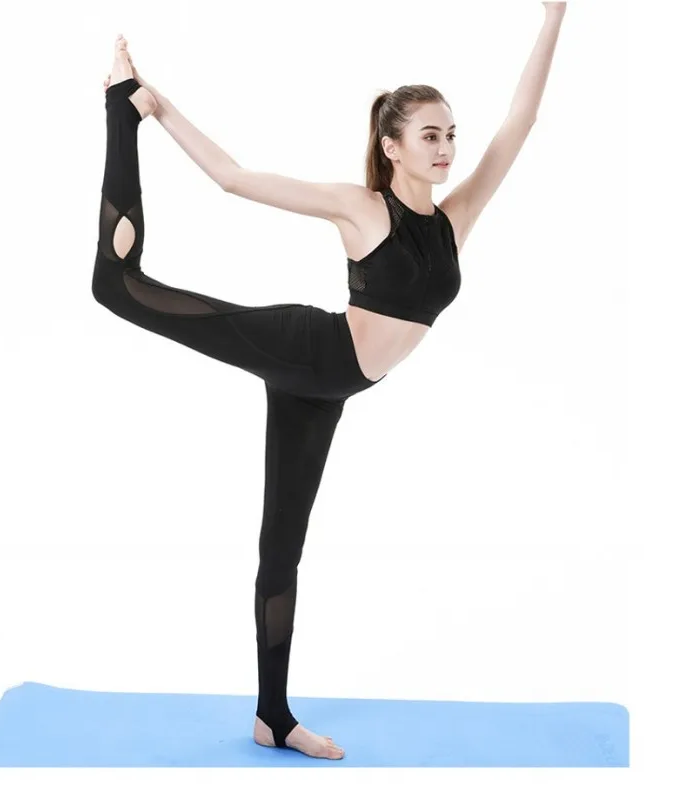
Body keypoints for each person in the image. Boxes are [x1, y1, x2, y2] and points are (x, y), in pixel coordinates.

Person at [93, 9, 564, 760]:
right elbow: (234, 179)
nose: (446, 148)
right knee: (118, 285)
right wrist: (155, 104)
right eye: (430, 135)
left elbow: (522, 120)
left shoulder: (456, 219)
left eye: (451, 134)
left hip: (325, 391)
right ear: (393, 146)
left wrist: (554, 16)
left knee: (281, 552)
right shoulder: (362, 207)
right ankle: (119, 110)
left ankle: (272, 718)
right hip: (305, 347)